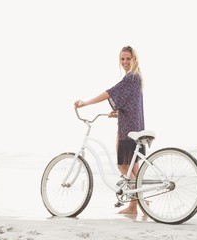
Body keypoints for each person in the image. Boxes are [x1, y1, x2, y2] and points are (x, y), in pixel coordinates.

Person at [74, 46, 145, 215]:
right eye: (122, 59)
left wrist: (86, 103)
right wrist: (119, 111)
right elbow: (130, 101)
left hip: (128, 128)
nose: (125, 62)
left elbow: (109, 93)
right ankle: (136, 206)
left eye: (128, 58)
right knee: (134, 170)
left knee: (123, 166)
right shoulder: (135, 77)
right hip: (134, 124)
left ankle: (140, 203)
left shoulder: (131, 77)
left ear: (134, 59)